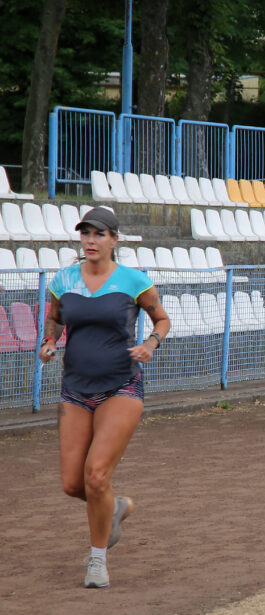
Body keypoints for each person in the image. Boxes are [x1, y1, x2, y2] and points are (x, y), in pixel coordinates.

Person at [38, 207, 171, 589]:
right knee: (72, 483)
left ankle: (97, 561)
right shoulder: (63, 279)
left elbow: (162, 319)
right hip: (74, 389)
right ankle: (114, 507)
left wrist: (150, 342)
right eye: (86, 234)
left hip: (121, 387)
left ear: (114, 239)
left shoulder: (134, 281)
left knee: (96, 475)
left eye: (99, 234)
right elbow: (55, 318)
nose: (91, 241)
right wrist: (49, 342)